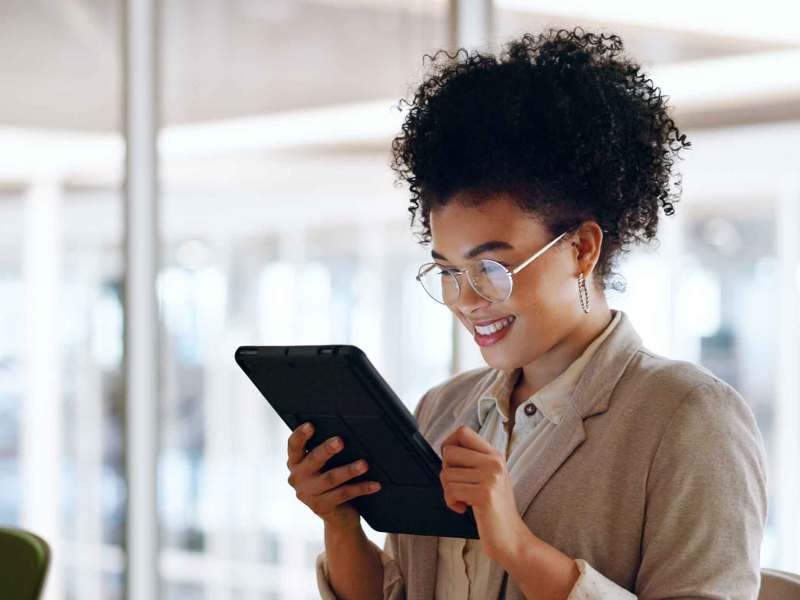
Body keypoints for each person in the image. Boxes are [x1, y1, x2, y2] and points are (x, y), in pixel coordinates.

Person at [285, 27, 768, 599]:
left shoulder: (688, 418)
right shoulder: (444, 410)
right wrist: (340, 522)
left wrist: (516, 546)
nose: (466, 300)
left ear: (581, 249)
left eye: (491, 268)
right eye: (448, 272)